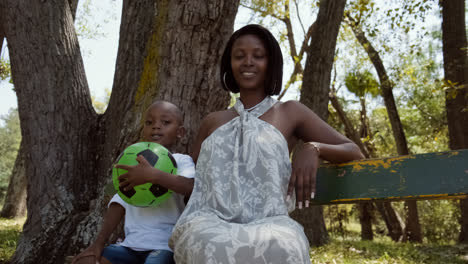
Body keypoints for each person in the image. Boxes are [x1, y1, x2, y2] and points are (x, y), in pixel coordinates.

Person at [169, 24, 364, 264]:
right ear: (229, 65)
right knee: (209, 245)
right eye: (239, 56)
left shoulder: (289, 112)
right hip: (209, 221)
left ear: (270, 63)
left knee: (284, 245)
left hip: (271, 221)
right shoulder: (212, 122)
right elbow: (194, 184)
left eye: (258, 56)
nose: (248, 62)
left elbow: (354, 152)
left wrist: (314, 147)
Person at [72, 101, 195, 264]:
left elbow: (190, 187)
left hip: (164, 248)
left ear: (180, 132)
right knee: (85, 262)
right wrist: (98, 243)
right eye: (149, 122)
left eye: (165, 122)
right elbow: (117, 203)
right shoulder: (130, 162)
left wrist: (153, 175)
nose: (156, 127)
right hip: (129, 247)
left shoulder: (182, 161)